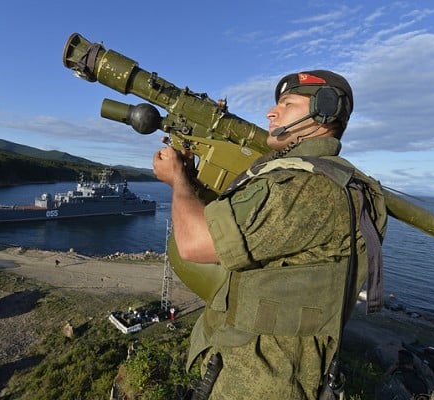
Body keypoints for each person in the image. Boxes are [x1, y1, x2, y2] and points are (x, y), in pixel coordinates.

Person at [153, 70, 388, 399]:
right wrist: (190, 182)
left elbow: (194, 243)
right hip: (251, 370)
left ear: (324, 109)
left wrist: (177, 180)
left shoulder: (308, 187)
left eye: (287, 104)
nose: (270, 113)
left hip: (263, 382)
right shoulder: (300, 177)